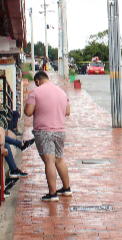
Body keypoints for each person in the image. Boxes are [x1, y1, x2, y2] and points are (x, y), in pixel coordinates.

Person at [24, 71, 71, 202]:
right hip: (60, 131)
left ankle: (52, 193)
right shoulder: (61, 92)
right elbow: (67, 112)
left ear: (37, 81)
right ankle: (66, 189)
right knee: (59, 160)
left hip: (44, 132)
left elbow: (28, 112)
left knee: (49, 162)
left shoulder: (35, 92)